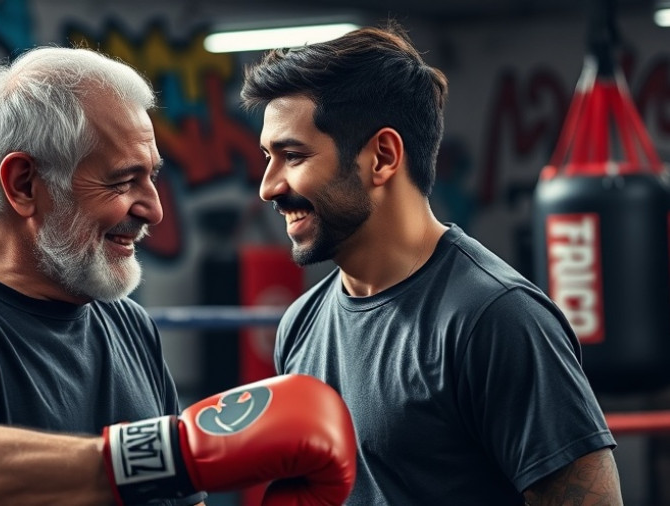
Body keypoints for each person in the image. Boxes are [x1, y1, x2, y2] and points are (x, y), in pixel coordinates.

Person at [0, 46, 358, 506]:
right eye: (124, 181)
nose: (152, 210)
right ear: (24, 183)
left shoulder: (125, 324)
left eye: (152, 178)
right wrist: (174, 452)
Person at [240, 23, 623, 505]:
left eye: (292, 155)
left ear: (381, 157)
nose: (269, 186)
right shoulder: (301, 324)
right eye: (267, 157)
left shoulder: (497, 319)